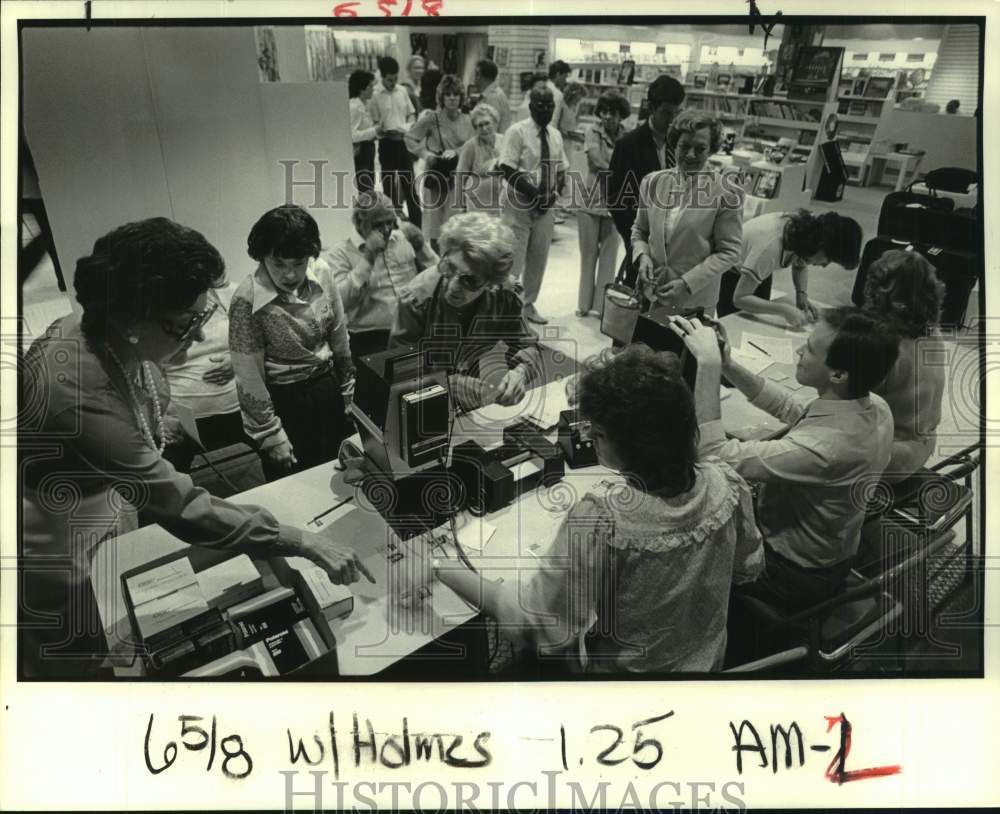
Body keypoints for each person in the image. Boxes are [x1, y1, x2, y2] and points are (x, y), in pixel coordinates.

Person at [19, 218, 372, 677]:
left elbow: (132, 402)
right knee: (82, 663)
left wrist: (155, 422)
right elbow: (181, 506)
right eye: (188, 323)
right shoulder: (79, 400)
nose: (202, 337)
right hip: (49, 549)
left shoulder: (95, 325)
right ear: (135, 321)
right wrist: (300, 541)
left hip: (91, 509)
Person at [434, 344, 764, 673]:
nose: (589, 435)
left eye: (599, 431)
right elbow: (749, 567)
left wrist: (441, 568)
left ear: (636, 445)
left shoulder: (599, 522)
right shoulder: (726, 482)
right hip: (708, 667)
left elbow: (539, 628)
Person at [675, 307, 900, 611]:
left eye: (808, 349)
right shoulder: (873, 405)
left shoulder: (826, 447)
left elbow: (714, 455)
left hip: (793, 571)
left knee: (679, 545)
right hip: (830, 552)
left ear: (838, 374)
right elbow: (790, 407)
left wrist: (709, 365)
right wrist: (728, 364)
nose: (798, 351)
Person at [229, 205, 354, 482]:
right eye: (279, 264)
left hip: (326, 385)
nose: (289, 275)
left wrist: (348, 390)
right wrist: (270, 435)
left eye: (298, 263)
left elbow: (338, 331)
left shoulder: (321, 271)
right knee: (296, 484)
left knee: (338, 474)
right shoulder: (246, 299)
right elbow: (248, 374)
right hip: (285, 400)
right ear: (262, 258)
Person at [389, 212, 540, 412]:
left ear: (490, 282)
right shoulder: (416, 300)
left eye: (470, 280)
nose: (453, 285)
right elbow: (399, 370)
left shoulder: (505, 295)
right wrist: (445, 384)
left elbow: (527, 345)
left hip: (470, 385)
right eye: (449, 267)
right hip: (421, 398)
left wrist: (520, 371)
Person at [631, 111, 744, 315]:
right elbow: (640, 229)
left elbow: (729, 251)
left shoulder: (727, 192)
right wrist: (642, 256)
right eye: (684, 146)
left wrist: (687, 282)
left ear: (711, 150)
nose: (690, 155)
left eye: (700, 149)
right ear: (674, 144)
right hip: (652, 294)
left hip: (695, 303)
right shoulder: (652, 181)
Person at [320, 190, 438, 362]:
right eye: (378, 225)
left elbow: (439, 279)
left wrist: (422, 249)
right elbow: (340, 304)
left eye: (390, 222)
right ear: (359, 222)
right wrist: (368, 258)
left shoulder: (405, 239)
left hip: (415, 329)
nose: (386, 230)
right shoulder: (340, 253)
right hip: (370, 338)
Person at [861, 249, 948, 480]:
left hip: (891, 457)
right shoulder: (933, 332)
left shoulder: (885, 345)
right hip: (923, 445)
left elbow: (844, 406)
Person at [161, 280, 251, 474]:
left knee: (281, 451)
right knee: (170, 471)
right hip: (182, 416)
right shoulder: (161, 312)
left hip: (240, 406)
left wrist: (238, 360)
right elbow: (146, 368)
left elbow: (257, 341)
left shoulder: (231, 293)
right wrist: (161, 414)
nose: (200, 336)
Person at [498, 85, 569, 325]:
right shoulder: (517, 132)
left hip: (546, 207)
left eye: (550, 106)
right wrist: (533, 193)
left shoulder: (556, 135)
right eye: (541, 105)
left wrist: (554, 193)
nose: (547, 110)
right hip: (518, 204)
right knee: (513, 261)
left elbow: (561, 169)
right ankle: (507, 311)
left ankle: (527, 305)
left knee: (539, 258)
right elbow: (507, 168)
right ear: (530, 107)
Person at [720, 209, 863, 325]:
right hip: (732, 272)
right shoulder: (770, 248)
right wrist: (783, 309)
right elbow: (740, 298)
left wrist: (801, 295)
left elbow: (800, 262)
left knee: (759, 317)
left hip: (757, 268)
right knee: (736, 324)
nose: (825, 266)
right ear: (821, 246)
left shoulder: (811, 232)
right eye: (829, 259)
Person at [608, 75, 685, 286]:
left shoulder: (680, 144)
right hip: (642, 235)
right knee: (639, 291)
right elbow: (615, 198)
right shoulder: (628, 145)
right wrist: (635, 241)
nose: (671, 120)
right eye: (666, 113)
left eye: (676, 113)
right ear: (651, 107)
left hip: (675, 238)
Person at [404, 73, 474, 253]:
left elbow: (473, 145)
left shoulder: (468, 120)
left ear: (461, 97)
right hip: (436, 174)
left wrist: (457, 152)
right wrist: (426, 155)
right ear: (441, 97)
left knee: (454, 224)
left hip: (457, 177)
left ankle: (453, 263)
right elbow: (410, 138)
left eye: (455, 94)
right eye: (448, 94)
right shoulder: (432, 118)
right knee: (434, 225)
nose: (452, 98)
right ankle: (438, 265)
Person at [576, 89, 629, 318]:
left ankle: (600, 307)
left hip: (615, 202)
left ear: (621, 115)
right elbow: (596, 161)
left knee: (609, 256)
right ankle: (583, 305)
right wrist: (620, 173)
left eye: (613, 113)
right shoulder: (592, 131)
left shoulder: (627, 136)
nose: (607, 117)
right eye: (604, 112)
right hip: (590, 199)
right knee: (588, 256)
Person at [369, 56, 420, 228]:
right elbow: (374, 123)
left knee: (410, 185)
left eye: (395, 78)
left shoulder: (403, 91)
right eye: (389, 80)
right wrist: (381, 129)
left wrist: (408, 125)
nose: (393, 83)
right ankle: (391, 225)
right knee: (389, 186)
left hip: (403, 141)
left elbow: (411, 113)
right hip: (386, 144)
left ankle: (417, 224)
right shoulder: (375, 96)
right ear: (382, 77)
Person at [455, 103, 503, 216]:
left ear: (495, 122)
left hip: (501, 201)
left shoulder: (505, 140)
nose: (484, 128)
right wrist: (461, 206)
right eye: (479, 125)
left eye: (487, 123)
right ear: (475, 128)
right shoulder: (470, 146)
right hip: (477, 202)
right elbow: (460, 177)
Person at [348, 69, 378, 194]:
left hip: (367, 151)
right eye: (370, 86)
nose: (373, 89)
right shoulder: (354, 107)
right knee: (365, 188)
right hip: (361, 153)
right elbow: (352, 135)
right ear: (362, 88)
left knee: (369, 185)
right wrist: (374, 131)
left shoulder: (363, 105)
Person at [474, 58, 512, 133]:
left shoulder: (493, 97)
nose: (474, 79)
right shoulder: (494, 93)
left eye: (476, 74)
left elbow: (490, 131)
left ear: (481, 77)